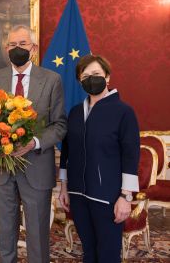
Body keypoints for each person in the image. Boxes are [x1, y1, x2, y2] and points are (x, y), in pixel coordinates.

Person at [0, 25, 67, 263]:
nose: (17, 49)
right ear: (5, 48)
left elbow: (60, 125)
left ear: (33, 48)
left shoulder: (52, 80)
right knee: (6, 228)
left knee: (38, 230)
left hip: (37, 165)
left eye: (22, 44)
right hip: (3, 167)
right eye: (12, 45)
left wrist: (35, 142)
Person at [58, 55, 140, 263]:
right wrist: (64, 186)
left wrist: (126, 197)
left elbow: (131, 155)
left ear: (107, 77)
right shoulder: (76, 112)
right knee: (88, 251)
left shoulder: (124, 112)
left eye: (96, 74)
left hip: (108, 198)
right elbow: (67, 151)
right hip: (77, 194)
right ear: (79, 81)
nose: (91, 79)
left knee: (108, 254)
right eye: (85, 76)